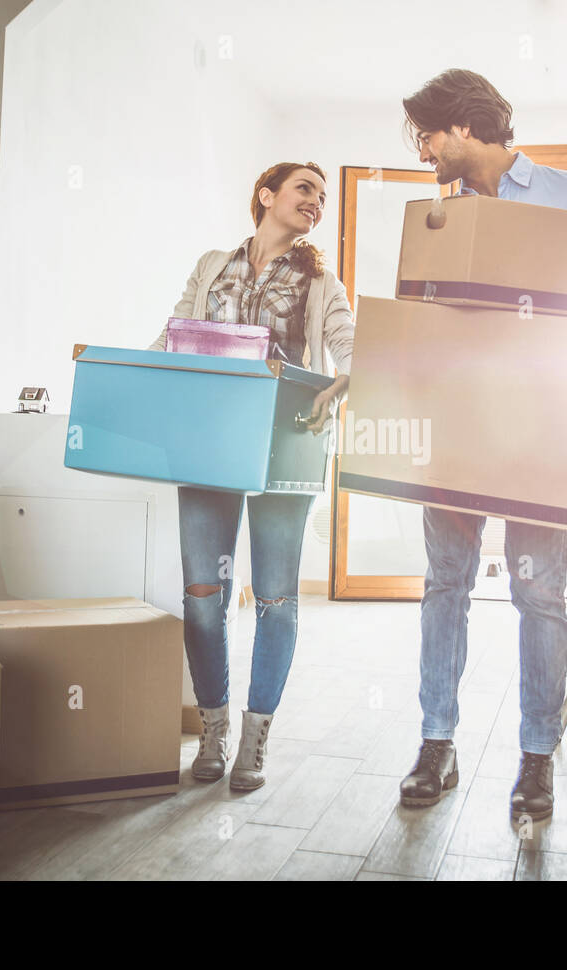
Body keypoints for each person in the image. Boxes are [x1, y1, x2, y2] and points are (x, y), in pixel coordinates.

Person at [396, 70, 567, 820]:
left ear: (465, 127)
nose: (424, 152)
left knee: (536, 592)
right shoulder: (444, 219)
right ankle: (435, 745)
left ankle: (537, 756)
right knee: (445, 581)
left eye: (428, 135)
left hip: (543, 428)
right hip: (457, 425)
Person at [150, 162, 354, 791]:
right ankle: (212, 731)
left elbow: (347, 348)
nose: (315, 202)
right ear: (266, 196)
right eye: (304, 190)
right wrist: (131, 380)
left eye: (322, 196)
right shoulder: (212, 264)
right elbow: (173, 335)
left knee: (274, 597)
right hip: (208, 440)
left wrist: (346, 379)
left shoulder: (323, 282)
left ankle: (255, 736)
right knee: (203, 595)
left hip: (283, 442)